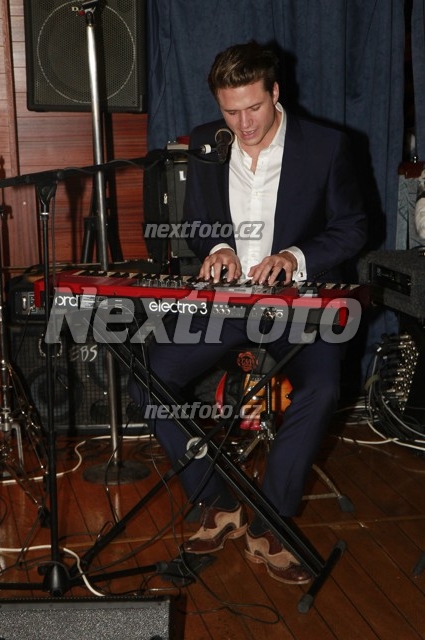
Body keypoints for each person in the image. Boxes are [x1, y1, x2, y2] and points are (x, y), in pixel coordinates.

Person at [130, 41, 367, 584]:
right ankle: (216, 501)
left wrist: (294, 257)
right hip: (229, 301)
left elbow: (353, 226)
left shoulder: (326, 146)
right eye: (231, 111)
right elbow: (198, 223)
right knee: (148, 374)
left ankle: (271, 519)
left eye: (253, 107)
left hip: (299, 301)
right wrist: (217, 248)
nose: (244, 124)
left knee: (321, 388)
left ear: (275, 92)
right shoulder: (206, 144)